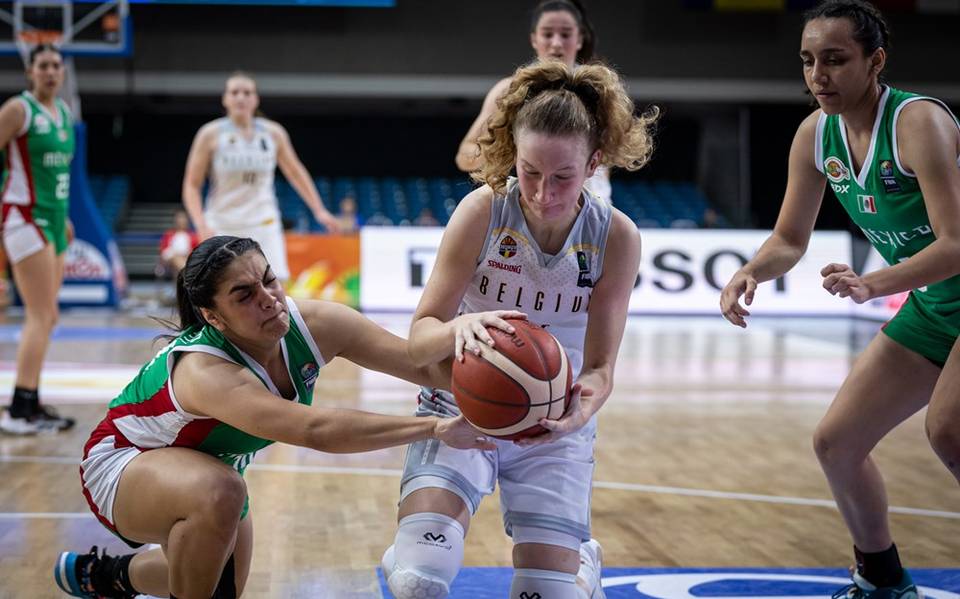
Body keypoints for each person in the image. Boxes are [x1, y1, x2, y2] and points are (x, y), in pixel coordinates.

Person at [52, 235, 492, 599]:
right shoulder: (205, 371)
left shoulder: (314, 322)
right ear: (212, 317)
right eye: (245, 295)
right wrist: (434, 427)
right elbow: (315, 429)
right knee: (221, 493)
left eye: (269, 281)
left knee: (221, 579)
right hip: (121, 465)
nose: (270, 300)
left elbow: (417, 364)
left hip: (206, 471)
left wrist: (515, 389)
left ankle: (108, 575)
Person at [381, 60, 657, 599]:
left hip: (555, 422)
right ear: (514, 156)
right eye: (530, 171)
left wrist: (584, 405)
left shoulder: (616, 236)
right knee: (419, 581)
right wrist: (462, 323)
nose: (543, 192)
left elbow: (601, 368)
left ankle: (580, 565)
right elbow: (419, 339)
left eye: (562, 177)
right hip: (459, 403)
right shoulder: (483, 210)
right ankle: (411, 547)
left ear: (594, 163)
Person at [719, 2, 960, 597]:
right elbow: (788, 239)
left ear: (875, 61)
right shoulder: (815, 134)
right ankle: (881, 579)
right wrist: (751, 270)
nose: (818, 75)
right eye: (808, 61)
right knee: (837, 442)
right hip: (934, 306)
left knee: (949, 430)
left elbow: (956, 245)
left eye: (835, 59)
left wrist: (873, 283)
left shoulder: (917, 122)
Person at [181, 71, 339, 282]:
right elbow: (192, 184)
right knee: (219, 287)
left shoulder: (273, 133)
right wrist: (200, 223)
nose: (241, 97)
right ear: (225, 99)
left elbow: (295, 172)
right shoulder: (210, 134)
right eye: (234, 92)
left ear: (255, 99)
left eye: (247, 92)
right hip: (221, 223)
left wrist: (319, 210)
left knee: (275, 285)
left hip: (263, 221)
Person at [455, 0, 612, 204]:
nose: (556, 43)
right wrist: (510, 149)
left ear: (580, 39)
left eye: (565, 34)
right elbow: (464, 156)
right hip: (536, 205)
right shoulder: (509, 90)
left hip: (591, 206)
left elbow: (612, 156)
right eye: (547, 34)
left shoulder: (599, 91)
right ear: (534, 39)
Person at [0, 44, 76, 434]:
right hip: (24, 217)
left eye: (56, 66)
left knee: (49, 316)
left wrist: (65, 218)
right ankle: (18, 410)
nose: (50, 72)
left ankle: (30, 399)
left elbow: (58, 175)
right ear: (30, 72)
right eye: (43, 65)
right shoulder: (18, 110)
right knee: (39, 314)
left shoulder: (63, 113)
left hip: (54, 219)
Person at [157, 208, 198, 280]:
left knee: (177, 267)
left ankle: (178, 288)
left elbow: (196, 252)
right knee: (175, 258)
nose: (181, 220)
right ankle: (187, 275)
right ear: (175, 220)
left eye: (183, 218)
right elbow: (163, 251)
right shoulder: (169, 234)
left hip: (187, 258)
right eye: (179, 218)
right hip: (170, 258)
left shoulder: (193, 236)